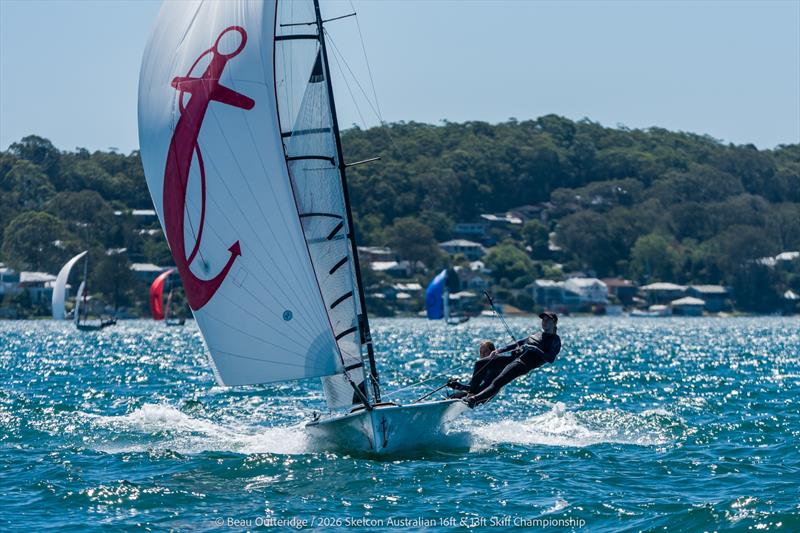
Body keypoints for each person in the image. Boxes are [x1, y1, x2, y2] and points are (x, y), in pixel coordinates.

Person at [465, 311, 561, 408]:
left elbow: (550, 358)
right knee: (480, 364)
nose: (544, 322)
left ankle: (473, 400)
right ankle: (471, 393)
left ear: (554, 323)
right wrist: (499, 350)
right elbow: (518, 343)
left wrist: (534, 349)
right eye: (543, 320)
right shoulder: (537, 334)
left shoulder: (555, 340)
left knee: (498, 381)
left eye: (547, 320)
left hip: (522, 364)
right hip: (512, 359)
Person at [445, 341, 515, 399]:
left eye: (485, 352)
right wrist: (457, 385)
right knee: (454, 396)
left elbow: (482, 388)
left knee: (459, 395)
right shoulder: (483, 366)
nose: (483, 354)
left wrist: (459, 387)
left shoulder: (495, 368)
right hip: (477, 393)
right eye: (481, 352)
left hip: (485, 395)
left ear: (492, 352)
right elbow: (472, 386)